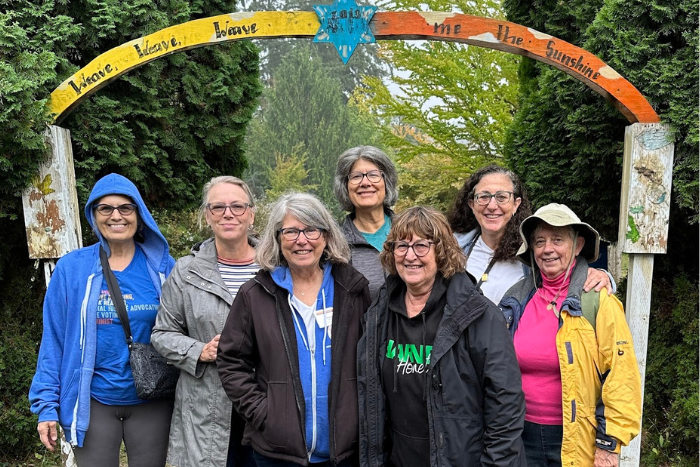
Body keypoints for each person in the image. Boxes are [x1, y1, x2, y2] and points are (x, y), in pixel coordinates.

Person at [358, 206, 526, 467]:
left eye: (421, 246)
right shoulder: (379, 313)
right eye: (401, 246)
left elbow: (505, 404)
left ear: (442, 250)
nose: (410, 256)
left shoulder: (477, 315)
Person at [29, 173, 175, 467]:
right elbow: (54, 340)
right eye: (105, 208)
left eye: (125, 208)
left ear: (139, 214)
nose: (115, 216)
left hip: (153, 401)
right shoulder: (73, 269)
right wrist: (46, 406)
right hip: (92, 402)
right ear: (93, 216)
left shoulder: (162, 268)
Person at [217, 192, 371, 467]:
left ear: (326, 236)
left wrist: (357, 416)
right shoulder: (255, 294)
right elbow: (231, 361)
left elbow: (371, 359)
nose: (302, 240)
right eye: (290, 231)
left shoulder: (352, 290)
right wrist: (265, 414)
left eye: (311, 230)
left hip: (345, 451)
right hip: (277, 451)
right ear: (277, 238)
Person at [499, 203, 642, 467]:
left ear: (577, 246)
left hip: (577, 438)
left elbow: (622, 376)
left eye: (557, 240)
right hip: (518, 436)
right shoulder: (515, 300)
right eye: (539, 241)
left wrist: (608, 444)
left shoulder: (598, 301)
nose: (547, 249)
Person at [151, 176, 258, 467]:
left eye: (237, 206)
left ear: (251, 213)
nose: (228, 213)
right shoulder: (186, 271)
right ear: (207, 215)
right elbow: (162, 333)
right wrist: (200, 350)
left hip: (266, 401)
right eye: (218, 207)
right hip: (206, 406)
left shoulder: (275, 267)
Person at [448, 164, 614, 304]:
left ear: (515, 204)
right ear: (471, 203)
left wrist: (604, 276)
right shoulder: (451, 246)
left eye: (501, 197)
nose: (492, 205)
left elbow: (567, 273)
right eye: (483, 197)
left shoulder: (534, 249)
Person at [334, 146, 399, 299]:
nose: (365, 182)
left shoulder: (412, 232)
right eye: (356, 176)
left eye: (373, 175)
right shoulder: (335, 244)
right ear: (345, 186)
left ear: (386, 181)